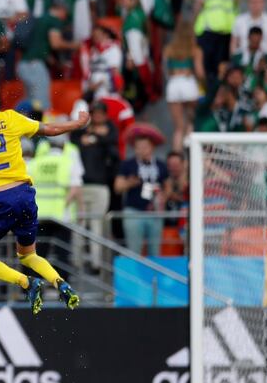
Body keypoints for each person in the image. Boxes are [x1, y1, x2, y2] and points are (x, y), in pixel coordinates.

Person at [0, 73, 88, 313]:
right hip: (24, 195)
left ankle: (26, 282)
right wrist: (77, 123)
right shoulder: (11, 118)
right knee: (28, 255)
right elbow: (50, 129)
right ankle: (60, 282)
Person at [27, 132, 84, 281]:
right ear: (63, 146)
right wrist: (70, 206)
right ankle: (62, 287)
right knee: (62, 254)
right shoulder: (68, 162)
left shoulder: (36, 163)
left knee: (39, 254)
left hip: (40, 214)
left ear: (48, 145)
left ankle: (37, 287)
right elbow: (75, 189)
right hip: (61, 215)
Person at [70, 102, 119, 272]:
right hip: (81, 186)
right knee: (79, 225)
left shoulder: (110, 133)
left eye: (100, 113)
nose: (98, 116)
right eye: (95, 113)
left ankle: (96, 264)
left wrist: (96, 137)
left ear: (105, 115)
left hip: (100, 185)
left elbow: (114, 149)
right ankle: (76, 262)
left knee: (97, 226)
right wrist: (90, 135)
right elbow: (72, 140)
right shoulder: (81, 133)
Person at [114, 134, 168, 256]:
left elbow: (168, 185)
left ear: (152, 147)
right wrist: (130, 183)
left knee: (155, 250)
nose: (142, 150)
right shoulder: (128, 164)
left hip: (155, 212)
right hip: (134, 211)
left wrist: (163, 197)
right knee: (134, 250)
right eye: (139, 147)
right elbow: (117, 187)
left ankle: (154, 269)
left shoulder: (160, 165)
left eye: (145, 146)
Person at [164, 20, 205, 151]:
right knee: (190, 122)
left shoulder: (169, 49)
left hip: (173, 84)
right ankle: (190, 155)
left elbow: (165, 71)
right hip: (189, 84)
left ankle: (177, 154)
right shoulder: (195, 50)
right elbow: (199, 72)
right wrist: (205, 85)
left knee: (178, 128)